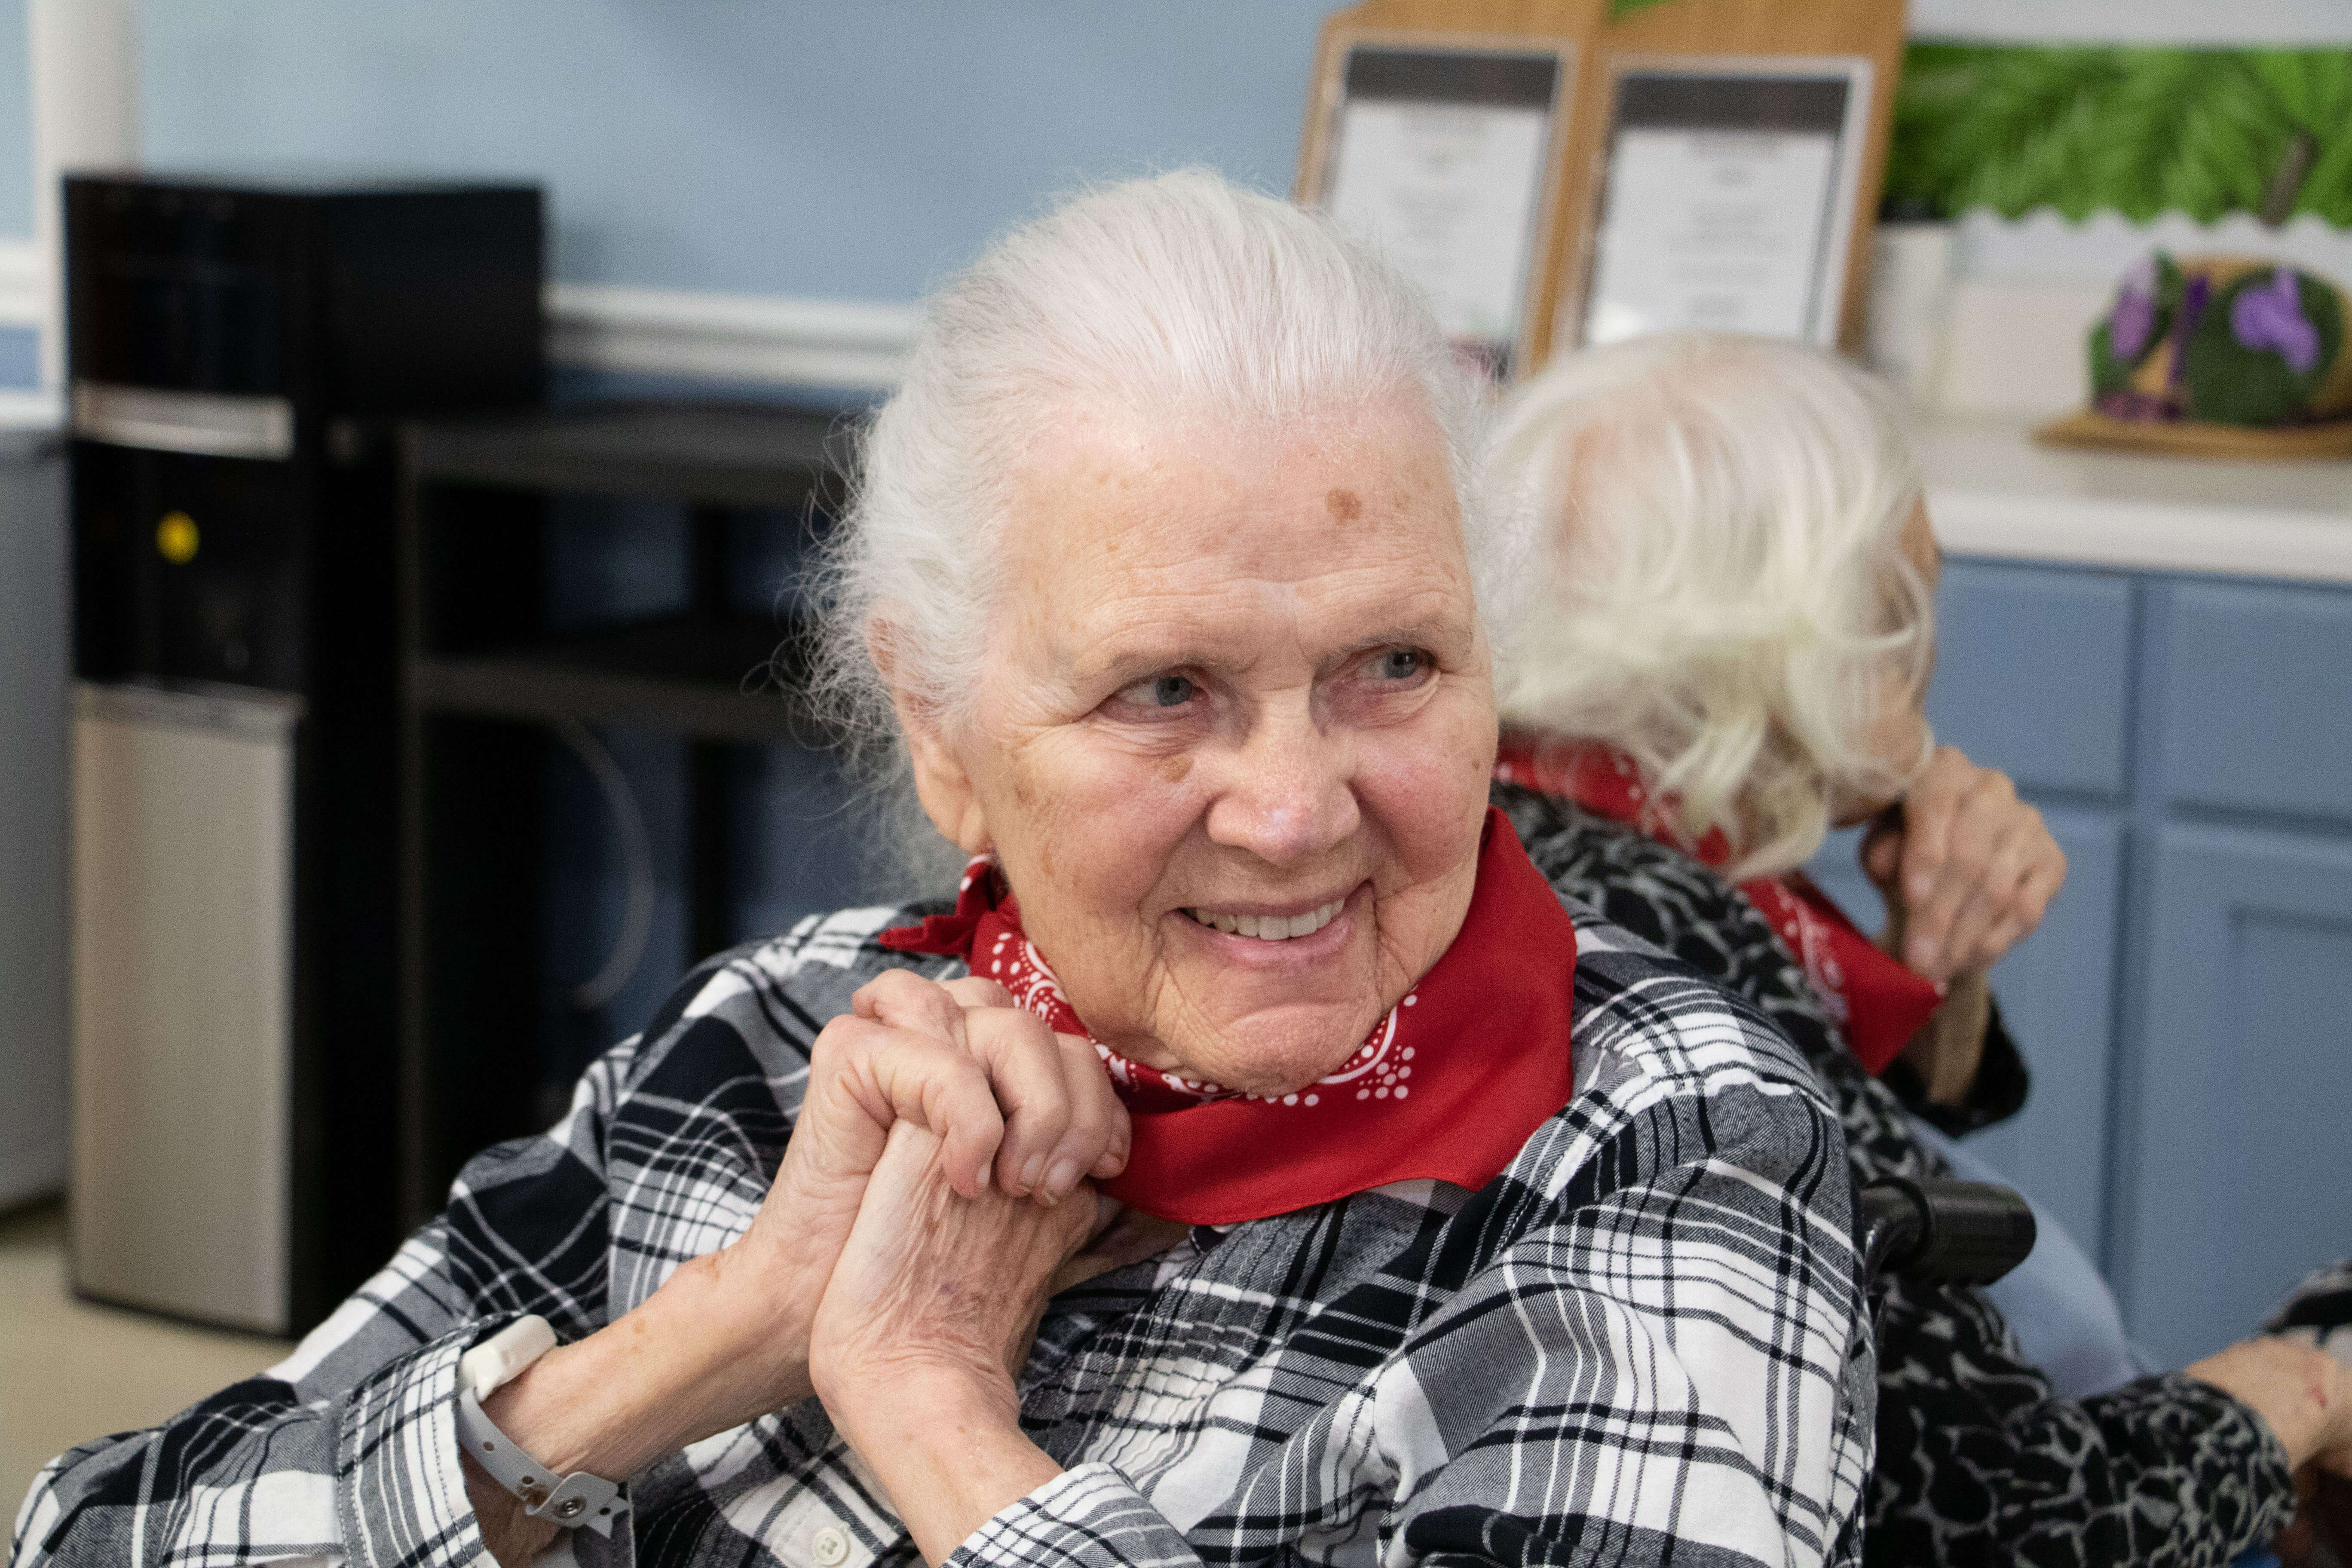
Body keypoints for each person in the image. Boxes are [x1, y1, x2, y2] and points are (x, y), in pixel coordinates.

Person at [14, 177, 1874, 1568]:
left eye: (1394, 665)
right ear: (940, 733)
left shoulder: (1668, 1142)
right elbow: (95, 1537)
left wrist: (931, 1412)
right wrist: (715, 1334)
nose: (1300, 810)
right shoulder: (774, 1051)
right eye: (1168, 691)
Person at [1482, 329, 2352, 1567]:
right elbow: (2022, 1521)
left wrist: (1941, 975)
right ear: (1789, 651)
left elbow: (1835, 1156)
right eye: (1902, 609)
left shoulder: (1549, 840)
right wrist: (2298, 1394)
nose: (1927, 662)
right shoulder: (1660, 951)